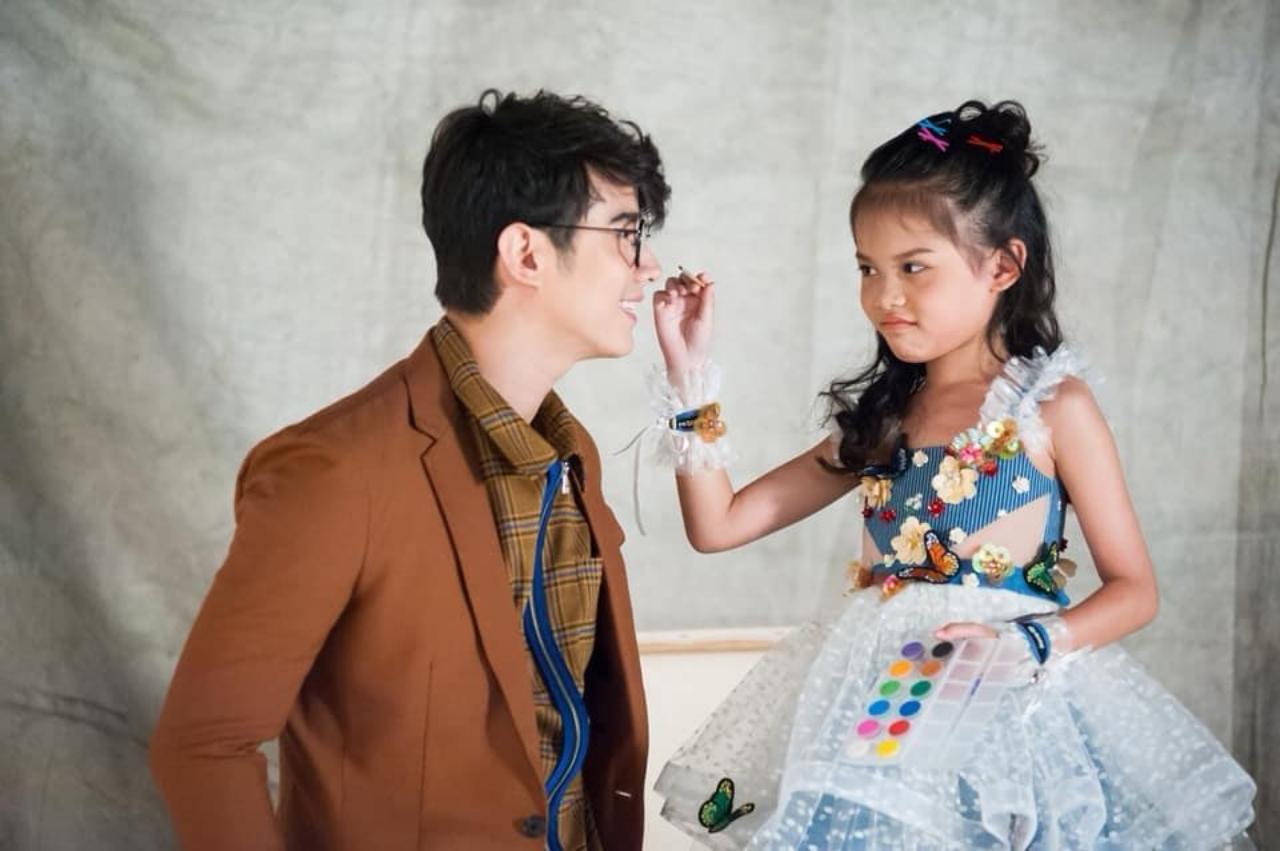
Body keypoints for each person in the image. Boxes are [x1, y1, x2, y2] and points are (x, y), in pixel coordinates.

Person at [648, 100, 1255, 848]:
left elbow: (1136, 590)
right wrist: (688, 378)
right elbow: (718, 525)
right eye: (867, 269)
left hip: (1007, 720)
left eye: (913, 267)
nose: (884, 296)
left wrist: (1029, 645)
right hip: (882, 722)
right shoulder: (882, 422)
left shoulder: (1053, 407)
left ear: (1002, 265)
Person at [149, 89, 669, 851]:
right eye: (625, 233)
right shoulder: (333, 471)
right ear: (526, 253)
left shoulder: (571, 452)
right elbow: (203, 745)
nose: (648, 266)